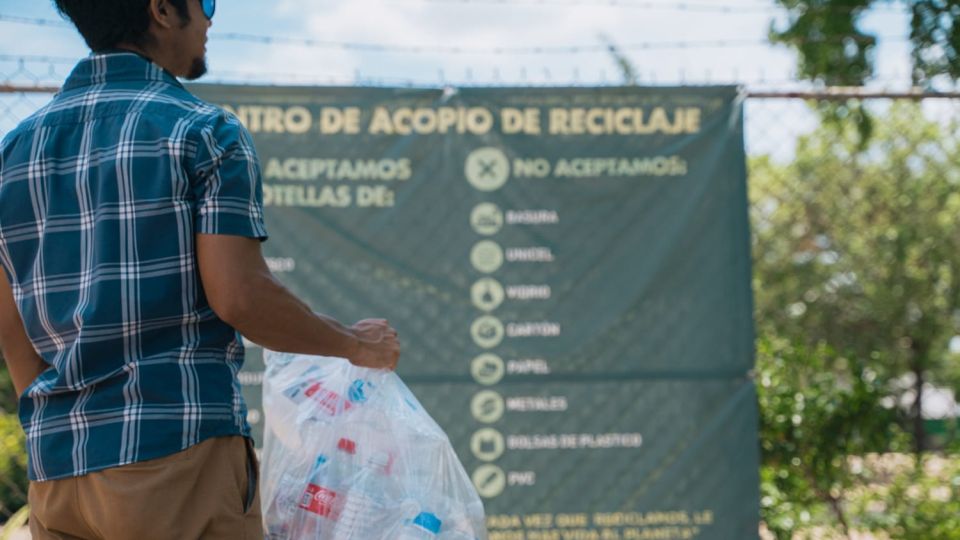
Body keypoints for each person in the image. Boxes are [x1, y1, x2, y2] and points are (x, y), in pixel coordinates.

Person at [0, 0, 401, 537]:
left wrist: (56, 424)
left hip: (59, 474)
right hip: (175, 456)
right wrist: (354, 344)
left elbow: (11, 325)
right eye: (205, 3)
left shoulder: (14, 151)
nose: (211, 19)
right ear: (162, 9)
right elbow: (240, 298)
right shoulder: (203, 132)